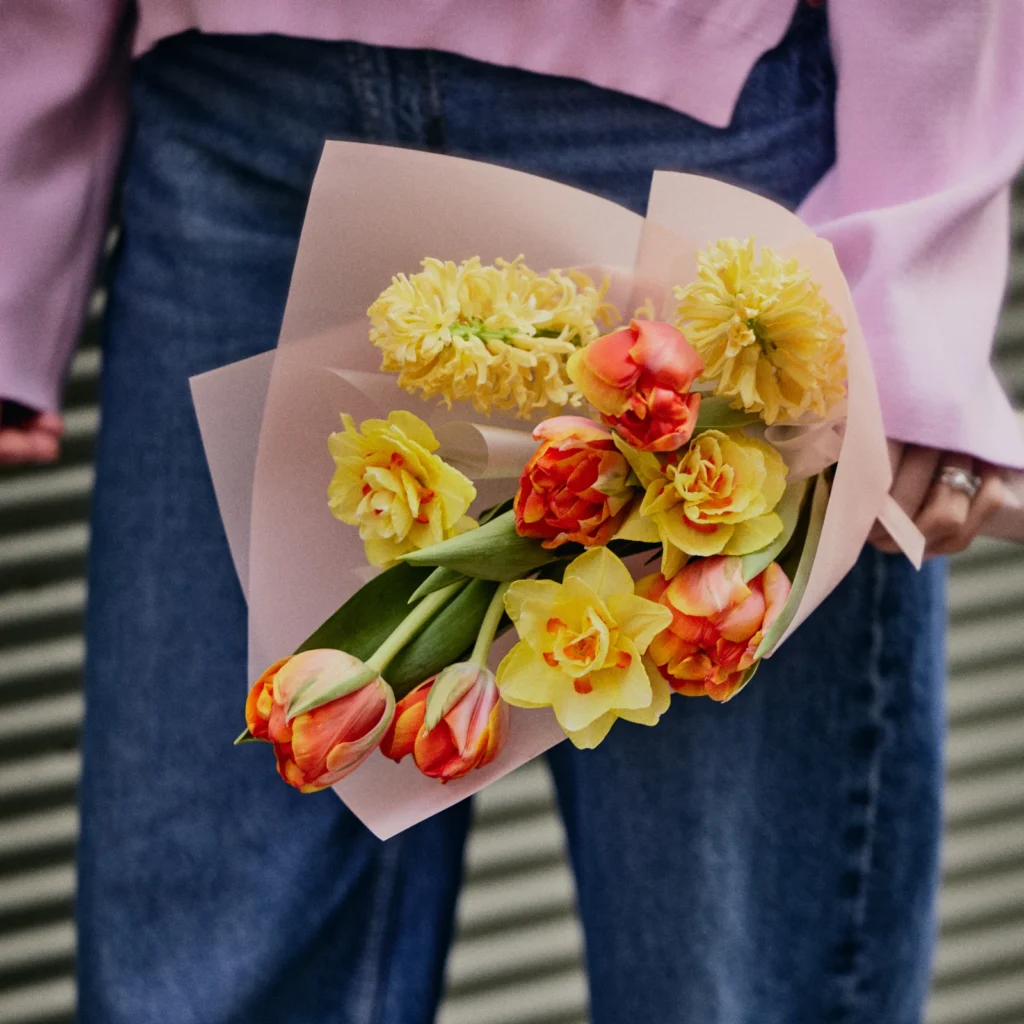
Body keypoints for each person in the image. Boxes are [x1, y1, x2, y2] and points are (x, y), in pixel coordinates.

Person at [2, 2, 1023, 1022]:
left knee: (738, 990)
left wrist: (914, 263)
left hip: (702, 130)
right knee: (196, 990)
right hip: (240, 117)